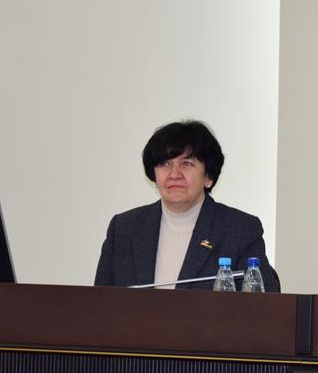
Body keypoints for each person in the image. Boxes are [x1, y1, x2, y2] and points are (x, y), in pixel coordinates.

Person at [95, 120, 280, 291]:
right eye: (165, 163)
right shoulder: (123, 228)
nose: (174, 174)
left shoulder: (241, 230)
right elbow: (98, 304)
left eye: (187, 163)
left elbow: (262, 308)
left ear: (208, 177)